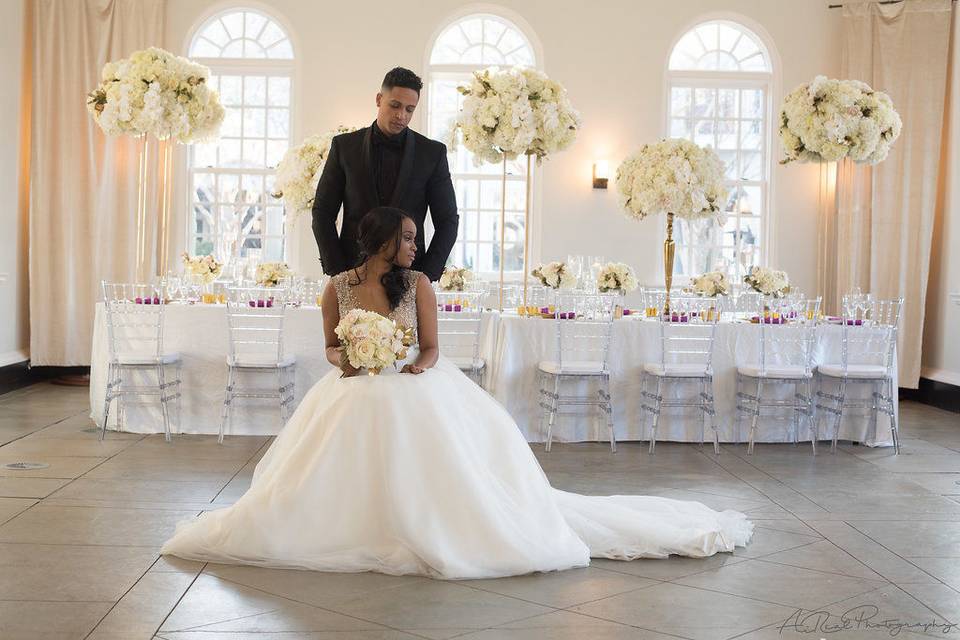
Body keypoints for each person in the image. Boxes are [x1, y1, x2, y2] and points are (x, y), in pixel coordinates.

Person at [162, 207, 753, 579]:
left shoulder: (418, 284)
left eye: (416, 238)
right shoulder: (337, 287)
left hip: (415, 385)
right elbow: (330, 347)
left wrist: (410, 366)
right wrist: (355, 358)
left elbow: (432, 348)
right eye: (408, 237)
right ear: (382, 240)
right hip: (354, 387)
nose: (416, 247)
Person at [311, 67, 458, 281]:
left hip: (408, 278)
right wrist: (339, 272)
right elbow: (322, 212)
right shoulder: (344, 147)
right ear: (379, 99)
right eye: (395, 105)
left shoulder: (432, 153)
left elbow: (448, 220)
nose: (401, 115)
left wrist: (425, 275)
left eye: (410, 109)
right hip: (353, 274)